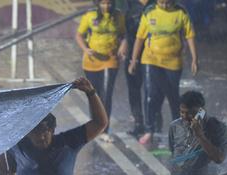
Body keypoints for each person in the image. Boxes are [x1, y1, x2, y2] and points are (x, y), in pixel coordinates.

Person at [128, 0, 198, 146]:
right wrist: (133, 60)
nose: (165, 5)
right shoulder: (149, 12)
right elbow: (140, 38)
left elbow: (189, 35)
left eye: (168, 2)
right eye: (162, 2)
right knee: (150, 96)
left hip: (173, 61)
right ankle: (149, 130)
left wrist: (194, 59)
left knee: (173, 97)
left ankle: (178, 130)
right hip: (150, 59)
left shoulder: (180, 12)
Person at [75, 0, 126, 139]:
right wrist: (86, 49)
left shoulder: (119, 16)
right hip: (92, 60)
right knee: (93, 94)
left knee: (106, 94)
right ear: (98, 4)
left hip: (111, 59)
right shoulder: (90, 16)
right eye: (103, 3)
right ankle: (96, 126)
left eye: (109, 3)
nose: (106, 6)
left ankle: (105, 130)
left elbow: (123, 35)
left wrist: (122, 47)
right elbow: (79, 35)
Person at [124, 0, 152, 137]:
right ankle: (138, 123)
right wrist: (123, 43)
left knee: (152, 92)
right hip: (132, 54)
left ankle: (152, 125)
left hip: (151, 56)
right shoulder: (129, 5)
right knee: (134, 91)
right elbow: (122, 27)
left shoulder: (157, 4)